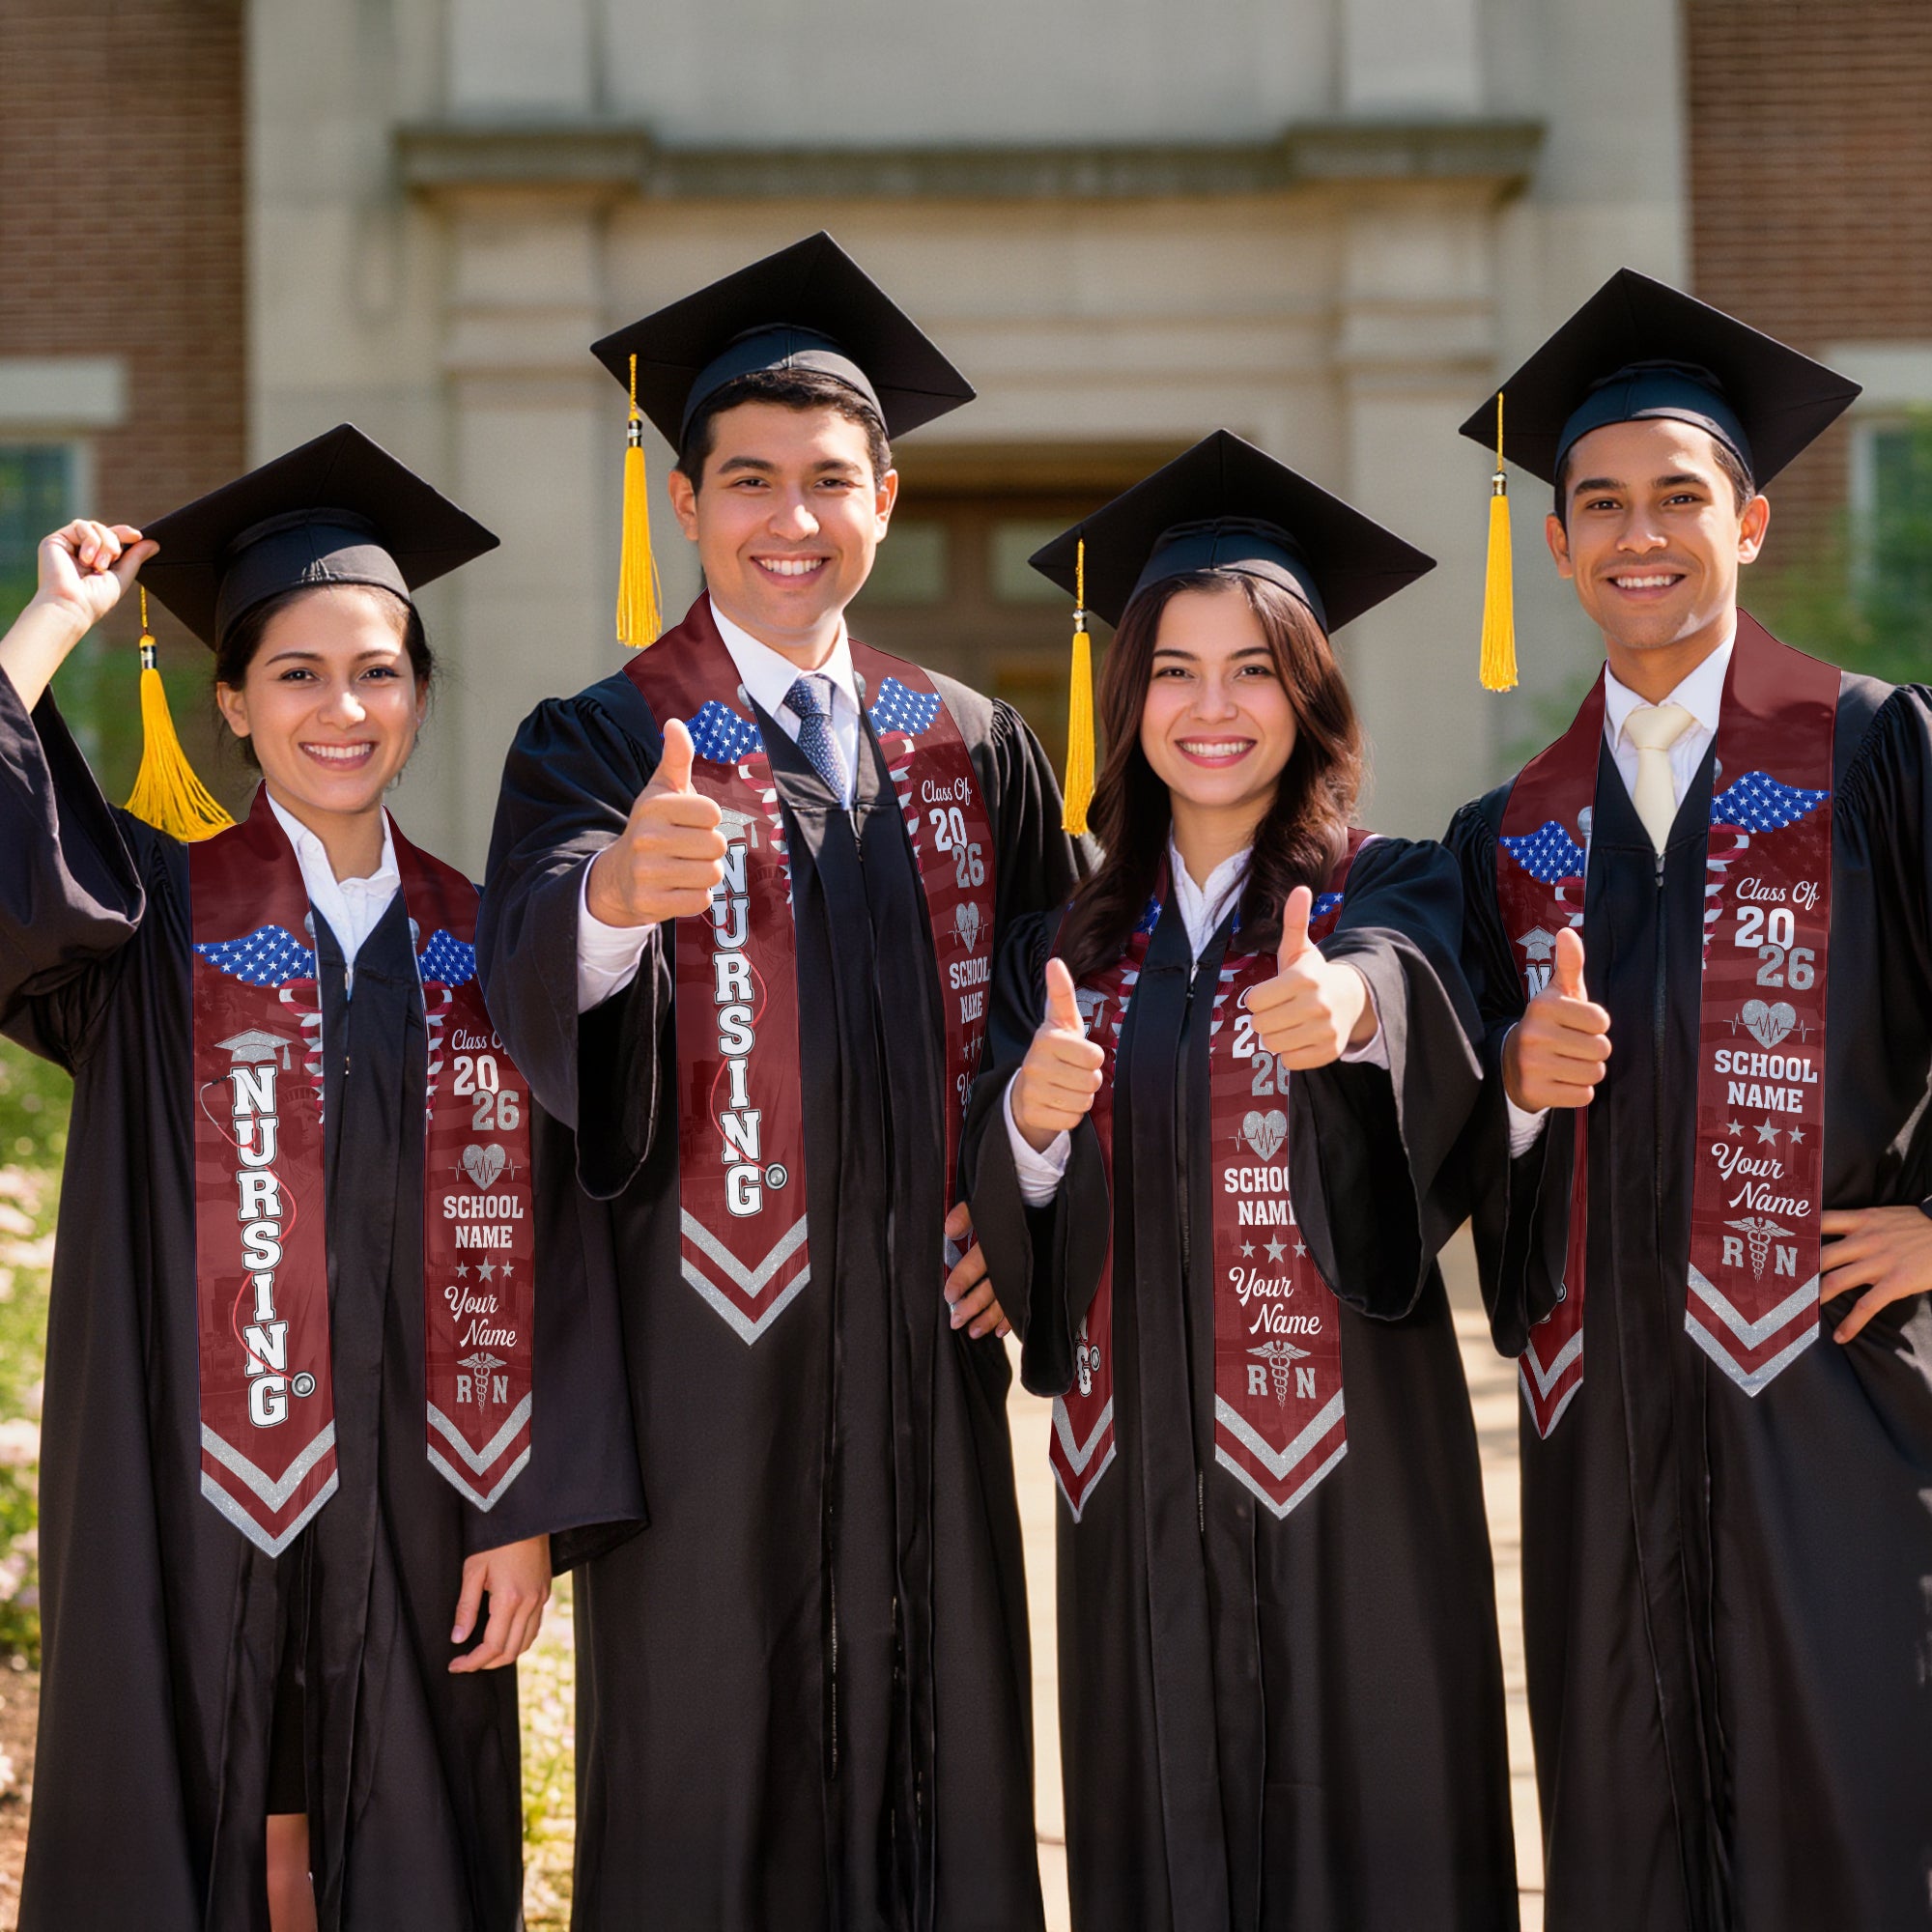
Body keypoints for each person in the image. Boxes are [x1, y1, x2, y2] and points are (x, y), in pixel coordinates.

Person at [477, 232, 1081, 1931]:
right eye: (749, 481)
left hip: (923, 1357)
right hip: (704, 1359)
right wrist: (610, 899)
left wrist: (1023, 1203)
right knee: (709, 1775)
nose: (790, 518)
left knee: (943, 1759)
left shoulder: (970, 740)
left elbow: (1072, 1002)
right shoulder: (598, 739)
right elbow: (527, 965)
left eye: (831, 480)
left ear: (886, 497)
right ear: (686, 504)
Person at [0, 425, 641, 1932]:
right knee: (195, 1801)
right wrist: (50, 624)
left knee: (403, 1830)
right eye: (295, 673)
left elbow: (559, 1235)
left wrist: (525, 1507)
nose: (340, 708)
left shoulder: (491, 943)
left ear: (419, 694)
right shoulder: (150, 919)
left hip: (428, 1494)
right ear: (231, 701)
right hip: (186, 1477)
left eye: (378, 671)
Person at [962, 431, 1518, 1930]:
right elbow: (1008, 1201)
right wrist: (1029, 1115)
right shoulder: (1062, 947)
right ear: (1126, 696)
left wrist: (1350, 1012)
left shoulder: (1390, 885)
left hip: (1353, 1479)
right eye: (1175, 671)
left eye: (1256, 668)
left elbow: (1417, 990)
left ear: (1311, 692)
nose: (1215, 708)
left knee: (1376, 1838)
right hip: (1130, 1476)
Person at [1447, 269, 1932, 1931]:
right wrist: (1511, 1089)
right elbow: (1448, 1136)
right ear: (1562, 543)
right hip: (1603, 1429)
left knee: (1854, 1812)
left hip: (1834, 1400)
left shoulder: (1871, 753)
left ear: (1752, 521)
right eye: (1598, 505)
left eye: (1677, 498)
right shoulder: (1510, 830)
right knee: (1626, 1828)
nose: (1636, 534)